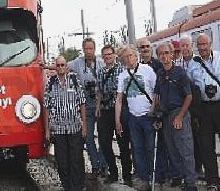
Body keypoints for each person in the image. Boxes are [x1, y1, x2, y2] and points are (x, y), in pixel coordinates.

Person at [187, 33, 220, 190]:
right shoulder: (192, 64)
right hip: (203, 108)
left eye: (205, 44)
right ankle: (213, 181)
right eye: (199, 45)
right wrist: (195, 113)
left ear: (211, 44)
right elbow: (191, 89)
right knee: (206, 146)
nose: (202, 48)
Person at [115, 44, 164, 191]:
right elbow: (119, 99)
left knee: (151, 148)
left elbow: (157, 92)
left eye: (130, 55)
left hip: (148, 116)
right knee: (138, 149)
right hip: (133, 117)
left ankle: (157, 177)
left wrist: (154, 111)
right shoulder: (122, 76)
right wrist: (117, 120)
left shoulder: (147, 70)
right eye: (125, 57)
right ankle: (144, 178)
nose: (128, 59)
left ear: (136, 56)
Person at [153, 42, 197, 191]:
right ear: (158, 57)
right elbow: (157, 95)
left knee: (186, 151)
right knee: (173, 151)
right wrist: (156, 116)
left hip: (180, 114)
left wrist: (180, 116)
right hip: (165, 116)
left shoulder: (180, 73)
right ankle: (183, 179)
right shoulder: (159, 73)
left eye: (167, 53)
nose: (164, 56)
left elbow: (189, 97)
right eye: (161, 54)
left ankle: (191, 184)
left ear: (172, 54)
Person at [43, 55, 88, 190]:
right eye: (58, 65)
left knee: (76, 160)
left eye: (63, 65)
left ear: (66, 66)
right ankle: (67, 187)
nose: (61, 67)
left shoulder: (74, 81)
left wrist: (84, 125)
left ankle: (78, 187)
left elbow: (82, 103)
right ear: (55, 67)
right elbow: (46, 107)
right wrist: (47, 130)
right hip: (59, 130)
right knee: (62, 162)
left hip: (75, 128)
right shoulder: (50, 84)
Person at [68, 37, 107, 177]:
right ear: (83, 49)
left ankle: (104, 164)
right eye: (86, 49)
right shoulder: (78, 63)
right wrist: (45, 67)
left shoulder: (101, 63)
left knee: (103, 137)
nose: (88, 51)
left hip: (100, 105)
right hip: (86, 106)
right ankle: (95, 165)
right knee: (88, 137)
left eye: (91, 48)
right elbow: (62, 66)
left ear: (94, 49)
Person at [96, 45, 132, 185]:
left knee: (123, 144)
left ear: (114, 55)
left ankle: (127, 175)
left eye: (110, 54)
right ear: (102, 57)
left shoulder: (122, 70)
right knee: (104, 143)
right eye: (105, 55)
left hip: (119, 111)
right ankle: (113, 172)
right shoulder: (100, 72)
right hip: (105, 111)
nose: (108, 57)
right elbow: (99, 90)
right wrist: (98, 106)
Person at [180, 35, 205, 177]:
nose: (185, 48)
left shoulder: (199, 62)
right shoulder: (177, 64)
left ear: (192, 46)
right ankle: (193, 168)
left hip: (199, 105)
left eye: (187, 45)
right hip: (185, 105)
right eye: (182, 46)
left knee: (201, 138)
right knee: (189, 139)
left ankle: (200, 168)